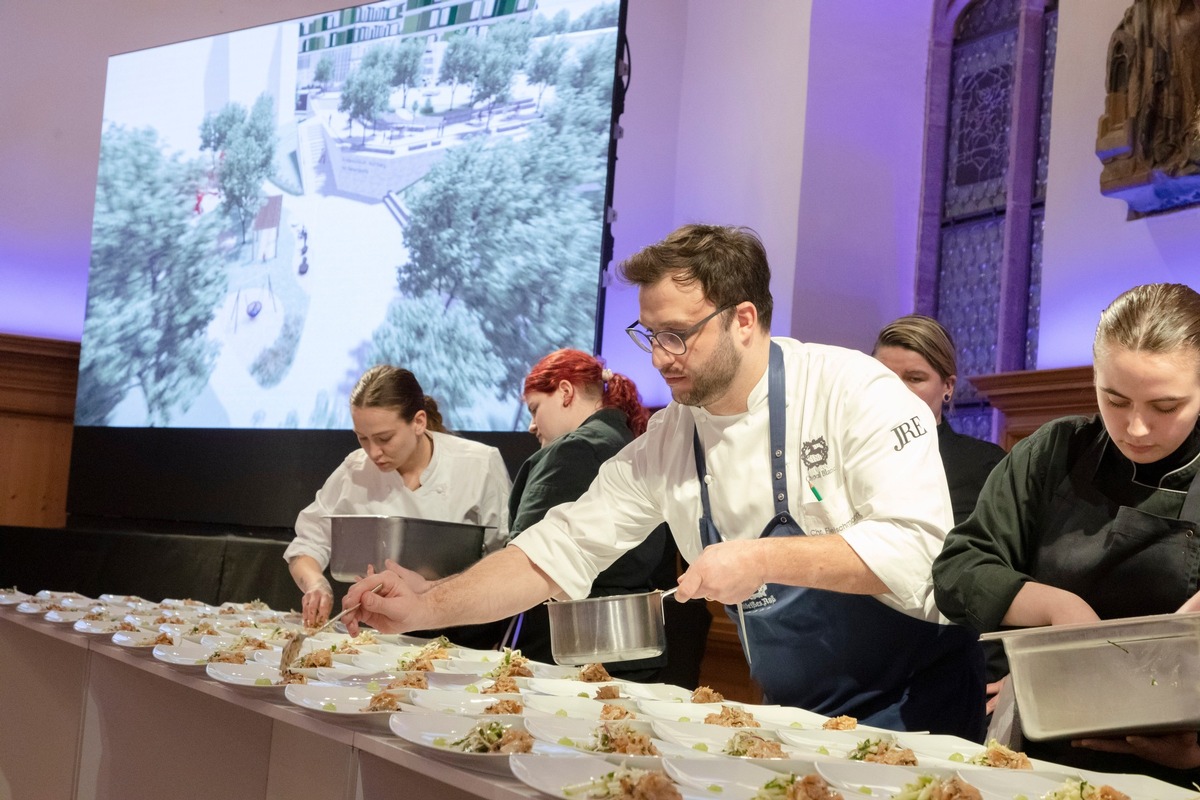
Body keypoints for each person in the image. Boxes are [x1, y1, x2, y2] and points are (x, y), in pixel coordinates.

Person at [343, 224, 985, 739]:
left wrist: (762, 558)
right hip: (794, 717)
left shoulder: (854, 391)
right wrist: (427, 605)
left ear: (742, 318)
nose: (657, 357)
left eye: (677, 335)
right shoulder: (671, 437)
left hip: (914, 710)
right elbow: (557, 548)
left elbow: (919, 551)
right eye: (650, 334)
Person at [933, 283, 1200, 782]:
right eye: (1115, 399)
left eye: (1165, 407)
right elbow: (959, 569)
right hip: (1039, 754)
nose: (1136, 428)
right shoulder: (1053, 453)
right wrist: (1057, 613)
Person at [284, 365, 511, 628]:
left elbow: (504, 557)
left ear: (418, 422)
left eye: (384, 438)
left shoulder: (479, 464)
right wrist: (316, 584)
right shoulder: (355, 470)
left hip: (461, 627)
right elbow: (307, 544)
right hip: (377, 630)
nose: (373, 452)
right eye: (362, 439)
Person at [505, 348, 669, 680]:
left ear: (565, 392)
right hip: (638, 649)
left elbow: (527, 554)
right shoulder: (631, 444)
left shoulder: (572, 449)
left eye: (535, 409)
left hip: (573, 648)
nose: (532, 426)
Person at [873, 315, 1007, 527]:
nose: (895, 389)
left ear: (948, 386)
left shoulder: (986, 465)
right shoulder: (846, 454)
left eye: (914, 378)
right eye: (883, 377)